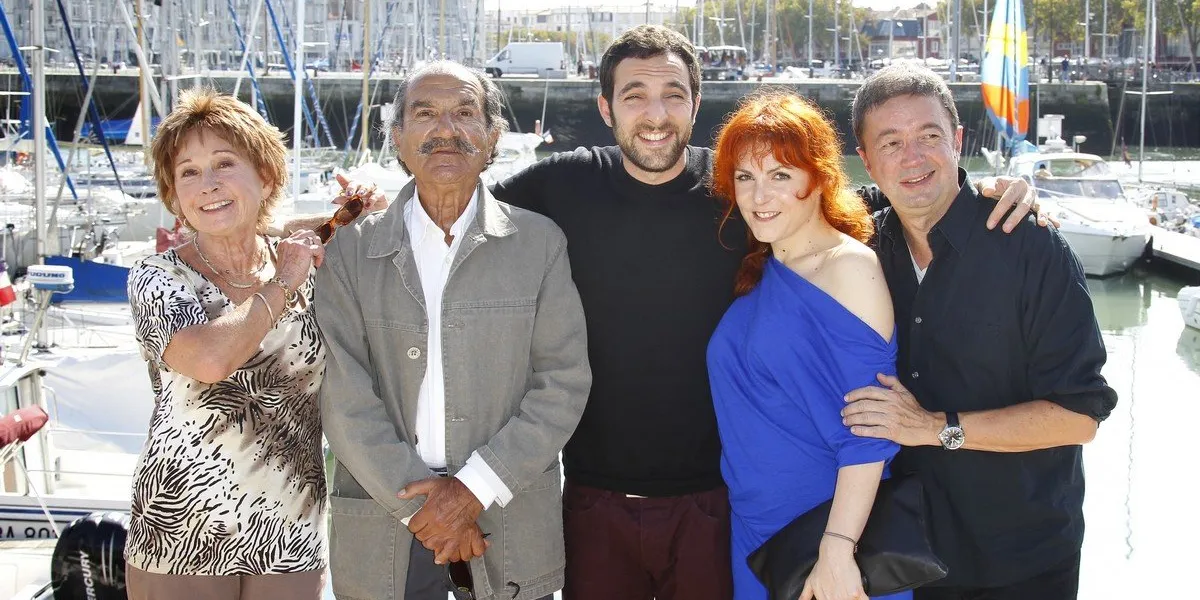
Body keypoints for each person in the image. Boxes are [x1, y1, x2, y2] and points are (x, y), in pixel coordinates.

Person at [342, 26, 1036, 600]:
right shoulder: (559, 186)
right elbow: (456, 196)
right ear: (606, 108)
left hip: (716, 506)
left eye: (672, 95)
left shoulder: (736, 191)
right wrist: (348, 214)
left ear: (696, 104)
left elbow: (832, 209)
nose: (655, 114)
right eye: (635, 96)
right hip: (594, 500)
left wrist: (975, 193)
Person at [316, 61, 591, 600]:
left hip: (505, 510)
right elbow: (342, 396)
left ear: (492, 136)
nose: (446, 129)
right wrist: (432, 509)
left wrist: (473, 490)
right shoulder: (350, 250)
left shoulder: (539, 244)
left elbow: (563, 383)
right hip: (383, 512)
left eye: (465, 113)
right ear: (397, 138)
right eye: (425, 114)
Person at [842, 63, 1118, 600]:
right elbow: (787, 203)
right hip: (903, 561)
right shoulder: (860, 249)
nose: (913, 157)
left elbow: (1080, 417)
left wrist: (936, 428)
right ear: (867, 159)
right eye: (891, 143)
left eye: (929, 136)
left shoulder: (1032, 247)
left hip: (1021, 561)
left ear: (958, 139)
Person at [123, 88, 376, 599]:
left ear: (266, 176)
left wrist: (365, 205)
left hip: (290, 532)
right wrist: (282, 283)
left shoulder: (300, 255)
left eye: (224, 163)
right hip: (180, 532)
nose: (208, 184)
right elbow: (210, 359)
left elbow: (382, 234)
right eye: (188, 172)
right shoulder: (157, 276)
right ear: (174, 196)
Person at [706, 91, 906, 600]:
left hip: (827, 537)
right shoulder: (764, 270)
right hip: (756, 534)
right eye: (745, 177)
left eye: (780, 175)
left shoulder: (848, 268)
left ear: (818, 178)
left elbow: (870, 428)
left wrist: (837, 550)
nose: (758, 196)